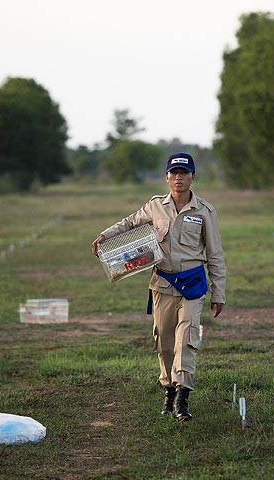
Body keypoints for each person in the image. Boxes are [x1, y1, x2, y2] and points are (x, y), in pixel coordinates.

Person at [91, 152, 226, 422]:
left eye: (184, 173)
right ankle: (168, 388)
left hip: (193, 285)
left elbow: (216, 254)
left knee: (186, 340)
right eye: (174, 173)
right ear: (166, 177)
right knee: (164, 344)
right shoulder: (155, 206)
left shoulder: (205, 212)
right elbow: (129, 223)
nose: (179, 177)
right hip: (163, 283)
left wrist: (218, 293)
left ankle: (182, 398)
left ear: (192, 177)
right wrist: (105, 235)